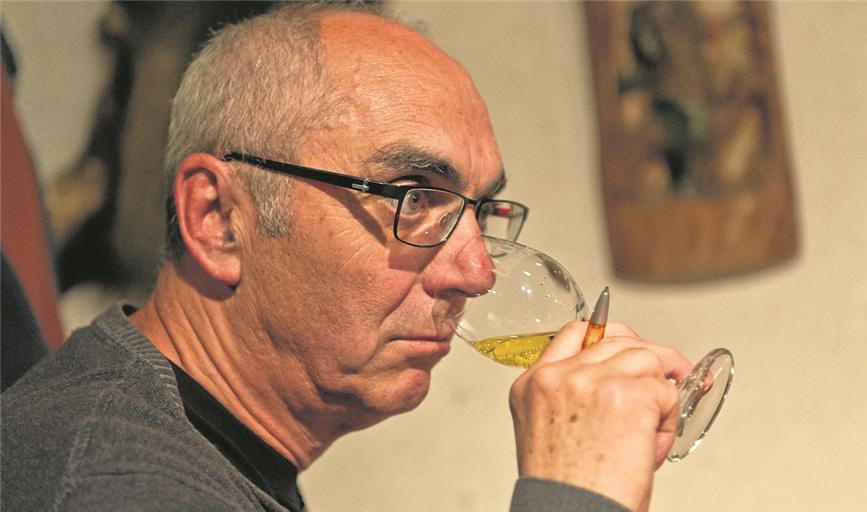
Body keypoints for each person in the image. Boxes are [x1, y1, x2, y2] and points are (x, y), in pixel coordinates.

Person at [1, 4, 692, 511]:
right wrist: (573, 495)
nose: (477, 273)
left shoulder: (191, 440)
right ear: (217, 219)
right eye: (413, 197)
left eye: (479, 211)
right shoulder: (112, 483)